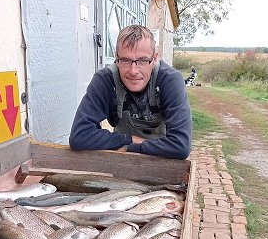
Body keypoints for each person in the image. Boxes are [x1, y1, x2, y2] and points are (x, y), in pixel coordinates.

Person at [69, 25, 192, 160]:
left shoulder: (169, 81)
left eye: (143, 61)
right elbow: (79, 136)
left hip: (162, 160)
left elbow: (181, 146)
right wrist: (128, 139)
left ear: (155, 58)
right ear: (116, 58)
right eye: (125, 60)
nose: (134, 71)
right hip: (122, 161)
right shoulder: (105, 80)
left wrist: (135, 147)